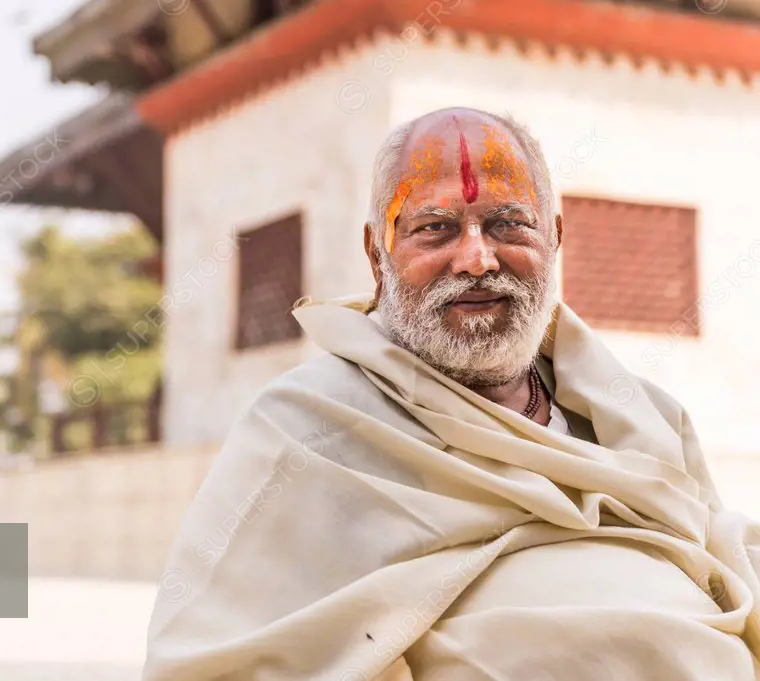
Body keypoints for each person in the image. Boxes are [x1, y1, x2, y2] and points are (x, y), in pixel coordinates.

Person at [142, 108, 760, 680]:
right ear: (377, 254)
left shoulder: (639, 411)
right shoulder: (306, 428)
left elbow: (724, 556)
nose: (475, 257)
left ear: (555, 237)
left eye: (507, 224)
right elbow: (218, 662)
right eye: (434, 228)